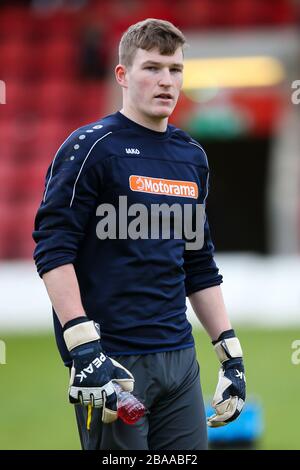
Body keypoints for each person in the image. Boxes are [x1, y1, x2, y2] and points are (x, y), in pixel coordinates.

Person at [33, 18, 246, 450]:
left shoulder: (191, 156)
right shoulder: (90, 147)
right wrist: (82, 348)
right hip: (113, 360)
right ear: (123, 75)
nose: (166, 81)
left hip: (179, 359)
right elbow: (54, 249)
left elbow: (199, 264)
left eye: (175, 69)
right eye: (152, 68)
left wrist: (231, 355)